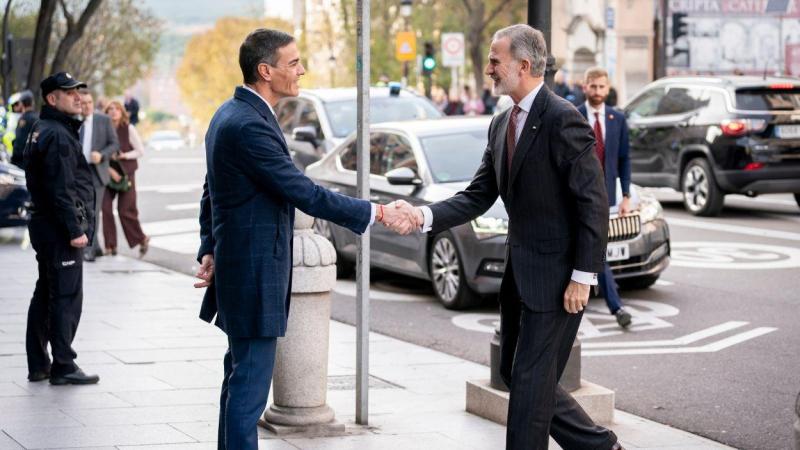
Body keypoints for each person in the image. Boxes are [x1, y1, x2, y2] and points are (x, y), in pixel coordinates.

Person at [399, 24, 621, 450]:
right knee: (515, 373)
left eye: (495, 61)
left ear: (524, 65)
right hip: (519, 277)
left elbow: (593, 203)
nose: (489, 69)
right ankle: (599, 446)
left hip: (559, 281)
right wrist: (422, 215)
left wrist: (583, 275)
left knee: (530, 389)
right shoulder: (502, 123)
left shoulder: (562, 118)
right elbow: (477, 195)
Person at [193, 28, 416, 449]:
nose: (301, 71)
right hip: (255, 272)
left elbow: (212, 189)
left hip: (241, 266)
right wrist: (378, 212)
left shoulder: (230, 114)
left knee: (239, 378)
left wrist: (209, 246)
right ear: (266, 71)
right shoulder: (248, 124)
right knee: (249, 388)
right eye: (293, 63)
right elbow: (304, 192)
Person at [23, 72, 100, 385]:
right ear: (52, 99)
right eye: (70, 93)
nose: (78, 97)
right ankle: (64, 365)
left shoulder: (43, 129)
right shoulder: (57, 134)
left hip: (45, 225)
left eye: (78, 92)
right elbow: (61, 189)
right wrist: (74, 229)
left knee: (46, 292)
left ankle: (39, 364)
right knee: (65, 296)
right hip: (58, 230)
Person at [578, 67, 633, 329]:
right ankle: (616, 306)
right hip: (578, 195)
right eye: (593, 86)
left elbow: (624, 159)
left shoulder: (617, 118)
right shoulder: (573, 115)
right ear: (585, 87)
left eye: (602, 87)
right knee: (596, 249)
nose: (597, 91)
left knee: (594, 249)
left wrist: (626, 195)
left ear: (608, 88)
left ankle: (606, 302)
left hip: (606, 196)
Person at [102, 100, 149, 257]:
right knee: (105, 209)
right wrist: (109, 170)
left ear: (122, 112)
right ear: (106, 113)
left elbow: (140, 151)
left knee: (125, 210)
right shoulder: (103, 129)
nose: (113, 111)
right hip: (107, 173)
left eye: (117, 109)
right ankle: (110, 246)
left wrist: (124, 155)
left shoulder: (128, 128)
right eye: (110, 109)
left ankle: (141, 239)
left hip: (126, 174)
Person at [79, 89, 119, 262]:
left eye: (89, 102)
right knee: (81, 211)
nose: (87, 106)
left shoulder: (103, 120)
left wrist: (102, 155)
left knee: (93, 212)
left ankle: (88, 250)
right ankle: (95, 247)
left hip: (97, 172)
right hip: (78, 173)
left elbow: (114, 144)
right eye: (83, 103)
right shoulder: (73, 122)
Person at [10, 90, 38, 168]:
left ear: (21, 104)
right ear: (32, 103)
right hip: (33, 163)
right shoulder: (38, 118)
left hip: (20, 163)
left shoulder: (23, 119)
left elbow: (19, 142)